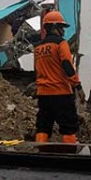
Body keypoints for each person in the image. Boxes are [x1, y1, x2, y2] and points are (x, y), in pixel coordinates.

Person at [34, 11, 81, 143]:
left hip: (43, 94)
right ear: (54, 28)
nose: (63, 31)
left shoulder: (38, 47)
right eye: (61, 28)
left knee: (43, 126)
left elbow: (36, 70)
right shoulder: (61, 44)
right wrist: (77, 85)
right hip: (61, 93)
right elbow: (67, 65)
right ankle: (70, 158)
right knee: (69, 127)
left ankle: (40, 154)